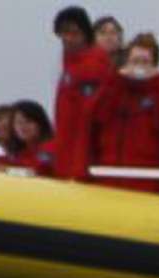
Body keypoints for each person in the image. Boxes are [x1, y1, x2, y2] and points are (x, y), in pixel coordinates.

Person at [91, 34, 159, 194]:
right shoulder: (115, 85)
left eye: (145, 62)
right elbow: (98, 114)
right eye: (135, 61)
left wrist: (158, 81)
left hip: (144, 175)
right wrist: (117, 78)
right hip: (110, 172)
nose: (139, 67)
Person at [52, 5, 115, 181]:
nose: (68, 38)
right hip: (65, 153)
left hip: (82, 159)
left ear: (85, 33)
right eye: (63, 33)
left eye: (74, 33)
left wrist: (80, 166)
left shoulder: (95, 63)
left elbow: (90, 116)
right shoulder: (69, 64)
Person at [1, 102, 60, 176]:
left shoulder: (51, 147)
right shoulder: (16, 152)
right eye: (18, 122)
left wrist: (7, 170)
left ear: (40, 123)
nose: (23, 126)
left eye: (28, 121)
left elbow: (40, 170)